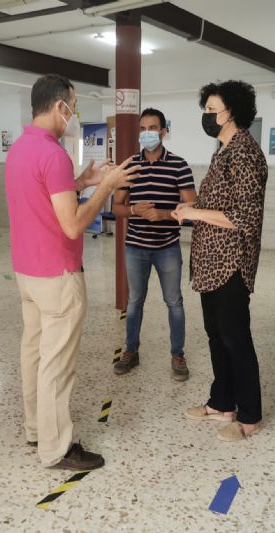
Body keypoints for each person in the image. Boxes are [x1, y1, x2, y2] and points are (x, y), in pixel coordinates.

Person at [5, 74, 140, 469]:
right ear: (60, 106)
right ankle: (57, 449)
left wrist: (82, 181)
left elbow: (45, 200)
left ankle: (36, 429)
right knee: (56, 365)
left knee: (33, 353)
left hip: (27, 274)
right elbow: (74, 225)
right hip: (57, 275)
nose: (74, 112)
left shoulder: (20, 149)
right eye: (73, 105)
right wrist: (107, 186)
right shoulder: (54, 154)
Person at [172, 80, 267, 442]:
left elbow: (245, 217)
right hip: (210, 262)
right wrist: (193, 211)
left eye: (213, 110)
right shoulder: (222, 151)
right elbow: (216, 207)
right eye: (206, 109)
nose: (207, 116)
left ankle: (250, 415)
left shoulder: (244, 153)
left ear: (234, 112)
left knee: (235, 338)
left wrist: (196, 213)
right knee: (216, 336)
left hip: (230, 263)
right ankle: (221, 403)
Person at [112, 108, 197, 381]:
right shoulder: (129, 167)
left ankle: (177, 353)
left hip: (168, 248)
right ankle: (131, 351)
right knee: (135, 301)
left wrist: (162, 214)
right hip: (135, 247)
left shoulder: (179, 166)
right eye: (143, 128)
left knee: (174, 302)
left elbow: (193, 208)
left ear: (164, 131)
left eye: (153, 128)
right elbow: (117, 207)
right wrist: (134, 210)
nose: (147, 133)